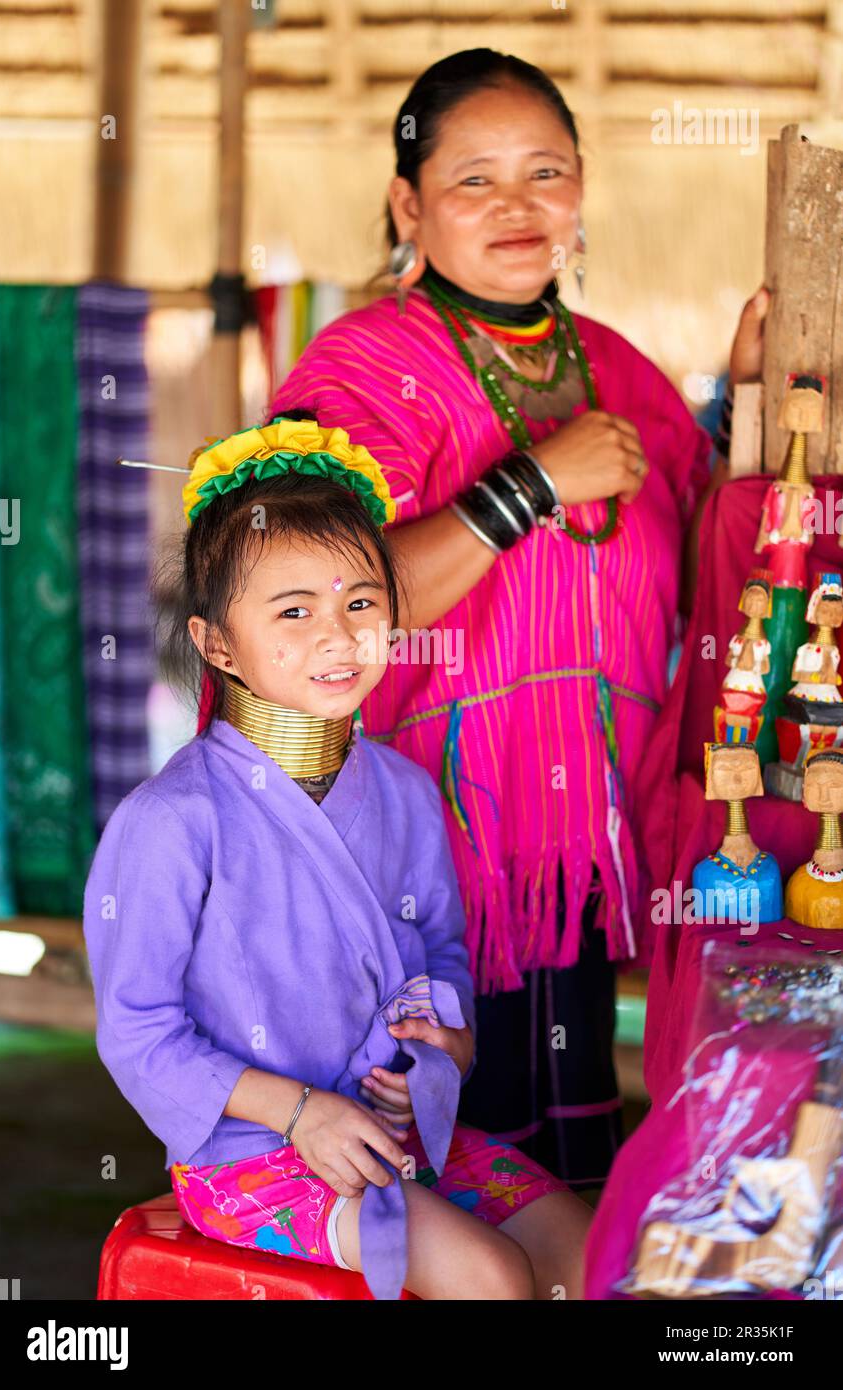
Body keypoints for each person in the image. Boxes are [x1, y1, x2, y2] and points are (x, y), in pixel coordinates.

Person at [268, 48, 769, 1188]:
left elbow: (707, 566)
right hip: (420, 862)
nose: (516, 207)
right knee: (426, 1166)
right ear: (408, 203)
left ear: (581, 191)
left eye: (544, 173)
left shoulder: (617, 372)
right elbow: (314, 608)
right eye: (474, 179)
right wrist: (527, 486)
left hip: (574, 865)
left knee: (567, 1161)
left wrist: (743, 408)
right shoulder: (363, 365)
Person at [83, 415, 592, 1301]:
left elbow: (440, 957)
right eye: (294, 611)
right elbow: (138, 1033)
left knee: (585, 1249)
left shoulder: (404, 793)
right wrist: (300, 1111)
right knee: (490, 1278)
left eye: (361, 602)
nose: (339, 633)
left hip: (400, 1131)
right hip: (252, 1155)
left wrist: (445, 1050)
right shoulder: (170, 821)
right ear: (215, 644)